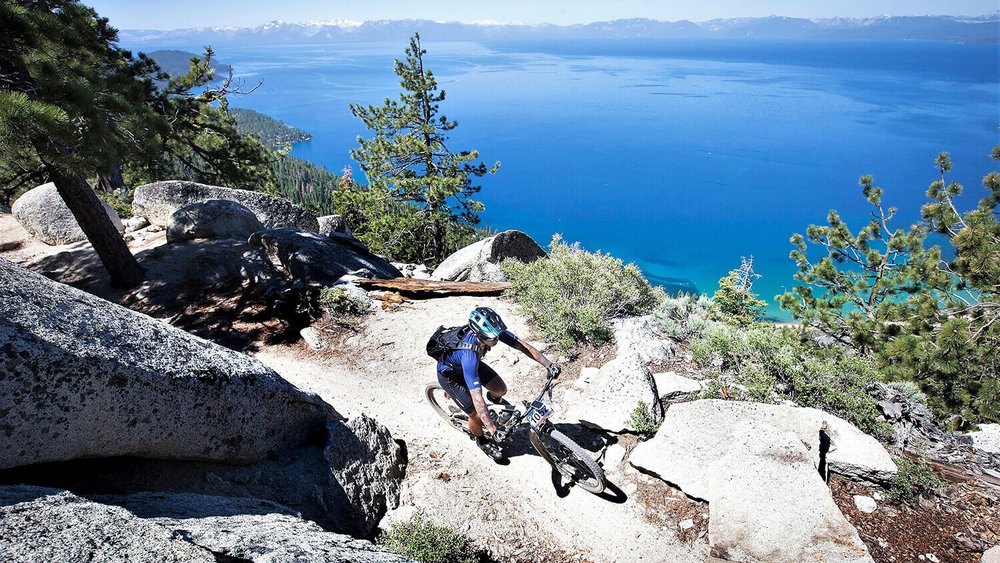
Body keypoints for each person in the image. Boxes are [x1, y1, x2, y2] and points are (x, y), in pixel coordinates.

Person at [437, 306, 560, 462]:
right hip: (452, 376)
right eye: (491, 338)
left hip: (467, 366)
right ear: (478, 334)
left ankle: (496, 404)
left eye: (496, 336)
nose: (495, 340)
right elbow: (478, 398)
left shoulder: (491, 333)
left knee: (500, 389)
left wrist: (548, 364)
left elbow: (523, 346)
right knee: (475, 415)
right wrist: (493, 430)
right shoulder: (469, 355)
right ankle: (481, 441)